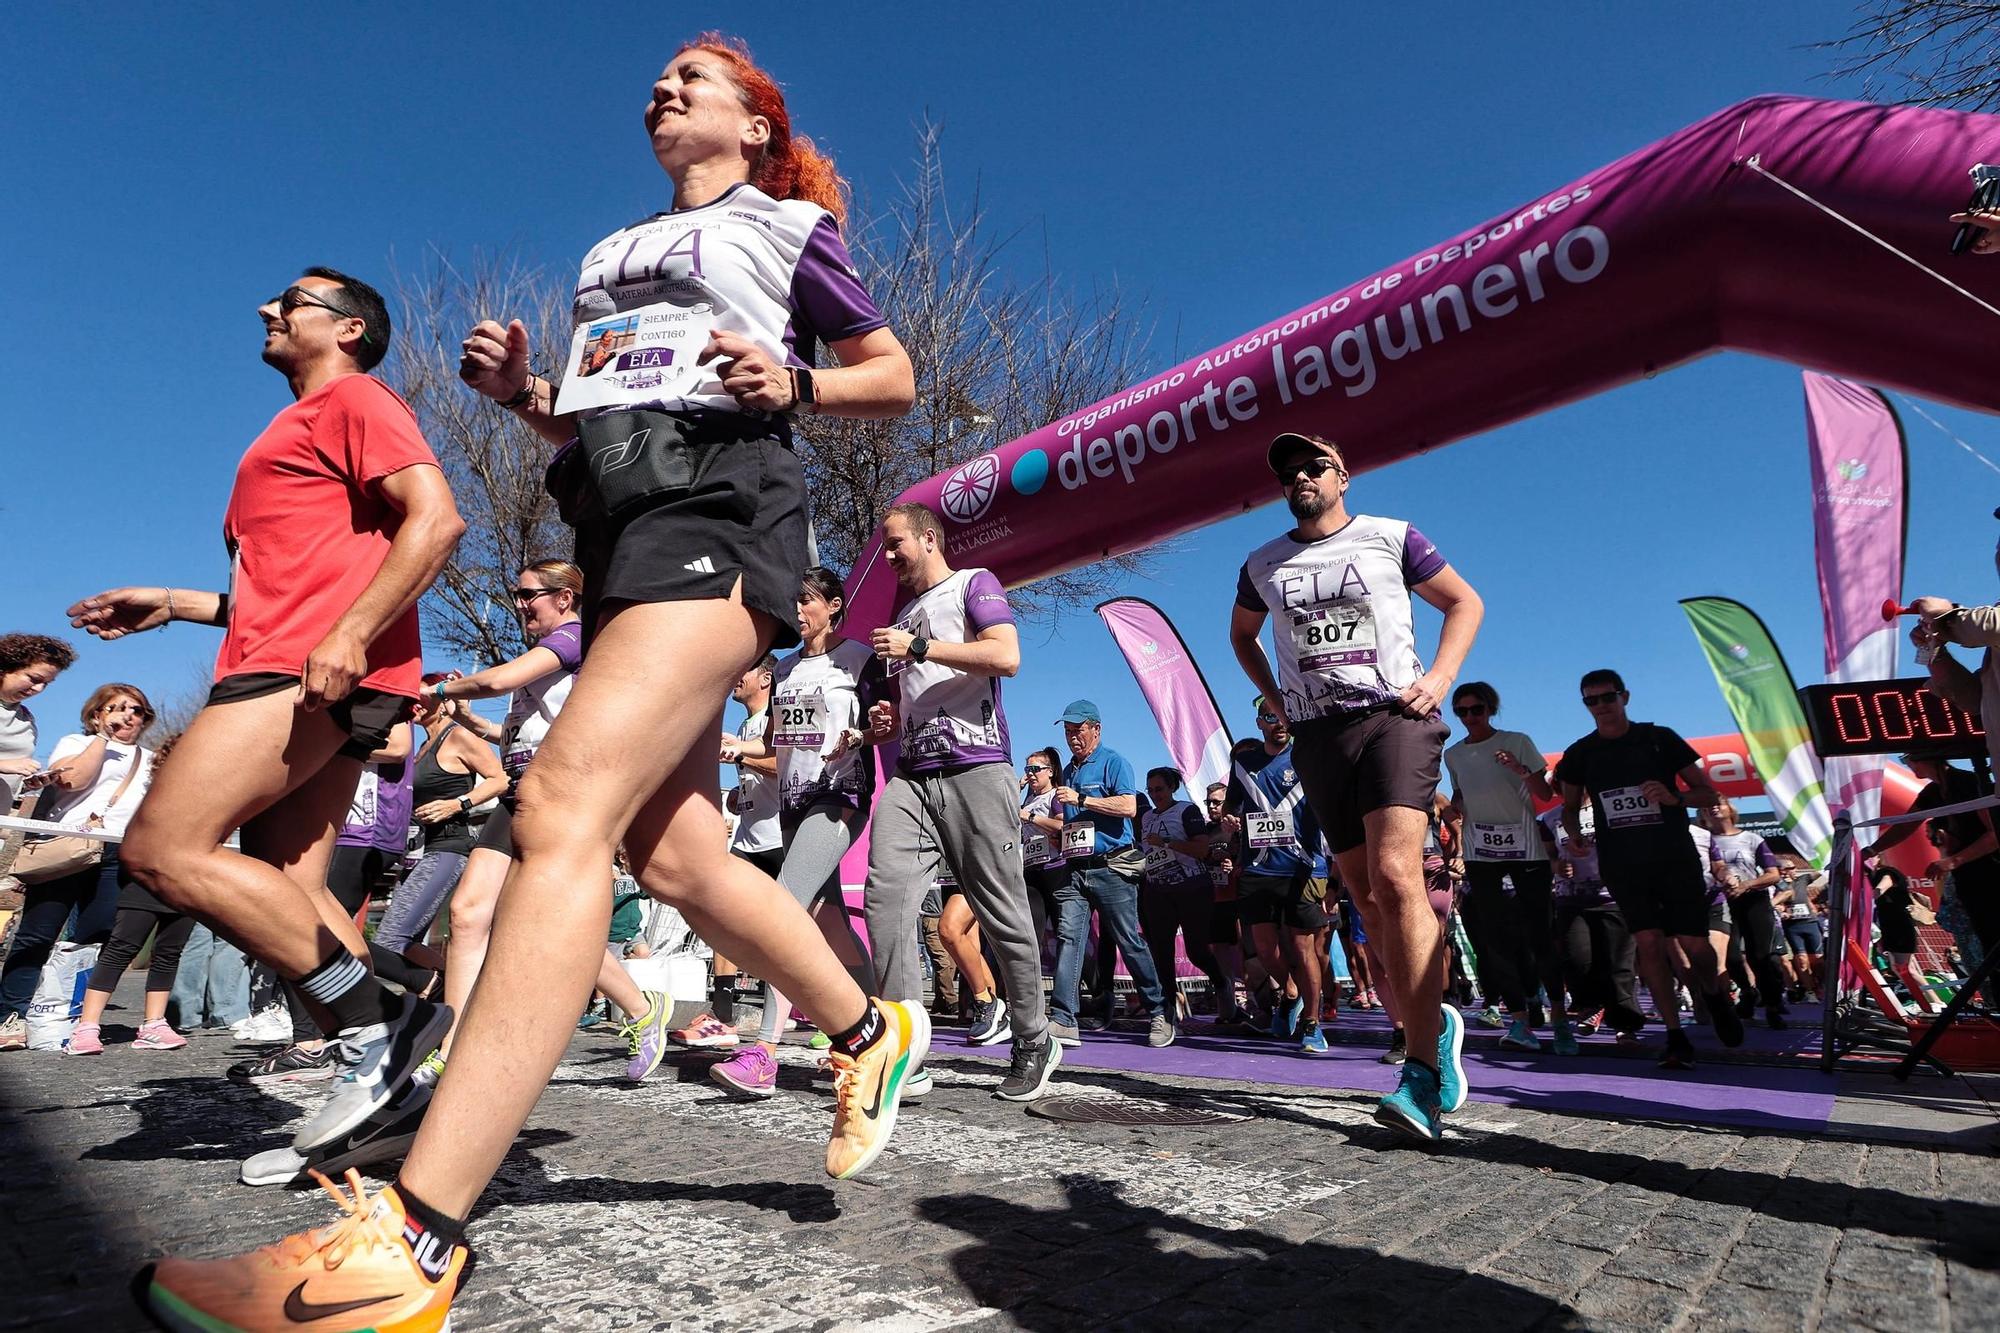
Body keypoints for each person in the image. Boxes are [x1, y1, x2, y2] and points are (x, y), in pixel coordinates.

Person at [140, 39, 924, 1326]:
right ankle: (865, 1032)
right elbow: (607, 408)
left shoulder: (790, 226)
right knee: (674, 855)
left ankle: (417, 1244)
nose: (663, 88)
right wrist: (528, 399)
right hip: (619, 530)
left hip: (727, 514)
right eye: (658, 79)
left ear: (752, 118)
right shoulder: (608, 249)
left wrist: (801, 380)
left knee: (560, 811)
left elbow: (886, 378)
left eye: (694, 77)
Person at [69, 265, 464, 1154]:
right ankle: (387, 1081)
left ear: (349, 329)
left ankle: (383, 1028)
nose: (267, 308)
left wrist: (352, 634)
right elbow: (284, 585)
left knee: (162, 849)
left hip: (308, 669)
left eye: (292, 301)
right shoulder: (294, 427)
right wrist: (174, 602)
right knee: (292, 887)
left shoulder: (355, 401)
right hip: (290, 653)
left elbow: (435, 521)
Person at [1230, 432, 1484, 1142]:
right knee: (1366, 895)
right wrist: (1275, 700)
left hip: (1391, 719)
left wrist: (1437, 680)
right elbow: (1241, 635)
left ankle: (1423, 1073)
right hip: (1317, 734)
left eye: (1313, 465)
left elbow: (1464, 603)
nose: (1299, 476)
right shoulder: (1261, 564)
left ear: (1344, 474)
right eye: (1287, 470)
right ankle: (1428, 1022)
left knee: (1398, 876)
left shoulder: (1391, 537)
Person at [427, 562, 667, 1081]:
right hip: (518, 793)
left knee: (549, 927)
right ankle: (453, 1044)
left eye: (526, 594)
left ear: (563, 598)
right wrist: (474, 723)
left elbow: (496, 680)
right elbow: (519, 731)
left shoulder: (573, 638)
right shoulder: (541, 654)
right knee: (468, 914)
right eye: (515, 595)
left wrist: (445, 692)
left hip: (561, 797)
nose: (518, 604)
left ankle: (643, 1010)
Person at [710, 567, 885, 1097]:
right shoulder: (783, 671)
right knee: (828, 926)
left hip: (839, 798)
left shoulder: (857, 658)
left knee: (781, 909)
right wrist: (738, 750)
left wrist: (857, 734)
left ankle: (763, 1052)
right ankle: (887, 1030)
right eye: (794, 601)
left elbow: (885, 723)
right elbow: (775, 748)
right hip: (792, 805)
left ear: (833, 606)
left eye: (806, 600)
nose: (797, 610)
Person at [1555, 669, 1743, 1071]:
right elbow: (1570, 808)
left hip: (1673, 856)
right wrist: (1575, 836)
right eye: (1591, 701)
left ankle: (1713, 991)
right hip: (1623, 863)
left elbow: (1710, 792)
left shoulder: (1659, 739)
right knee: (1650, 945)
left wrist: (1674, 796)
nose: (1601, 707)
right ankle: (1675, 1037)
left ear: (1624, 697)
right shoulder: (1581, 753)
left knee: (1694, 945)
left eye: (1607, 698)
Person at [2, 685, 159, 1052]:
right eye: (116, 708)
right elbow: (74, 780)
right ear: (96, 715)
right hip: (68, 846)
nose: (127, 716)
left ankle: (66, 1013)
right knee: (38, 932)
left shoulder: (151, 759)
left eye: (136, 709)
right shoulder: (75, 742)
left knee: (96, 934)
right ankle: (10, 1014)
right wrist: (102, 739)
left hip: (118, 850)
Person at [1046, 700, 1176, 1049]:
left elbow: (1129, 806)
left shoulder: (1115, 762)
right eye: (1068, 731)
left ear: (1096, 729)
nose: (1072, 737)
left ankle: (1159, 1011)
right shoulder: (1070, 769)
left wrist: (1083, 800)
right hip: (1076, 869)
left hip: (1111, 869)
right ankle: (1063, 1018)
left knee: (1128, 942)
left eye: (1078, 730)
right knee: (1069, 939)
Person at [669, 657, 783, 1056]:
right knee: (723, 917)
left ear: (766, 677)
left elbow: (782, 765)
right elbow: (756, 775)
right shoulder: (742, 725)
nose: (736, 678)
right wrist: (739, 793)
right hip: (749, 838)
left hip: (781, 838)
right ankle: (723, 1015)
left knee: (792, 930)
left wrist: (740, 758)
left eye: (746, 671)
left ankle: (820, 1012)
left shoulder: (776, 715)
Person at [1443, 681, 1563, 1054]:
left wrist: (1520, 768)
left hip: (1526, 848)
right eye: (1461, 712)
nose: (1469, 718)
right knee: (1495, 941)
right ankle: (1518, 1021)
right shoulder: (1454, 755)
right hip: (1482, 852)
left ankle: (1560, 1019)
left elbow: (1545, 795)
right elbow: (1462, 796)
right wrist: (1454, 809)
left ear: (1490, 709)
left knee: (1540, 935)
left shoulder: (1518, 740)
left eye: (1476, 710)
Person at [368, 688, 509, 986]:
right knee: (408, 942)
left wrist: (459, 804)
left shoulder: (457, 737)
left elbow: (500, 779)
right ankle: (457, 989)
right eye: (411, 697)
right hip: (418, 852)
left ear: (445, 704)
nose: (415, 703)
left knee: (388, 940)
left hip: (448, 848)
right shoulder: (421, 748)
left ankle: (433, 990)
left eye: (423, 696)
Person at [1223, 699, 1331, 1052]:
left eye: (1284, 715)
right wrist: (1229, 822)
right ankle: (1292, 991)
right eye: (1271, 716)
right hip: (1257, 867)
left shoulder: (1309, 755)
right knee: (1266, 950)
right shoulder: (1243, 763)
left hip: (1302, 866)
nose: (1279, 723)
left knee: (1303, 948)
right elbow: (1231, 808)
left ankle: (1312, 1024)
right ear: (1259, 722)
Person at [1138, 766, 1227, 1023]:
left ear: (1172, 788)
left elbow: (1202, 849)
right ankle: (1168, 1004)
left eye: (1160, 789)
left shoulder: (1186, 810)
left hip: (1192, 888)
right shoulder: (1146, 818)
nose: (1155, 795)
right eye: (1151, 790)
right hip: (1158, 890)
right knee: (1161, 950)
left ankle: (1222, 984)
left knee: (1196, 951)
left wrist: (1167, 843)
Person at [1704, 798, 1789, 1029]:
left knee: (1760, 956)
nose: (1713, 806)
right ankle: (1747, 991)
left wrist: (1747, 885)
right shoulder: (1703, 839)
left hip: (1754, 900)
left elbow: (1773, 875)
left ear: (1730, 809)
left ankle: (1772, 1006)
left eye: (1718, 802)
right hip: (1720, 901)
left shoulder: (1752, 839)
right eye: (1707, 805)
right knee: (1730, 957)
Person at [0, 633, 76, 814]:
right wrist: (3, 765)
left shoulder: (26, 719)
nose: (38, 689)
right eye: (34, 679)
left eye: (46, 684)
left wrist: (26, 784)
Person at [1868, 855, 1937, 1013]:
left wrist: (1866, 900)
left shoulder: (1886, 873)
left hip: (1899, 928)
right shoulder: (1880, 875)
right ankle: (1925, 1001)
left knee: (1905, 969)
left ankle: (1933, 1002)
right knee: (1905, 968)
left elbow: (1880, 889)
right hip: (1894, 928)